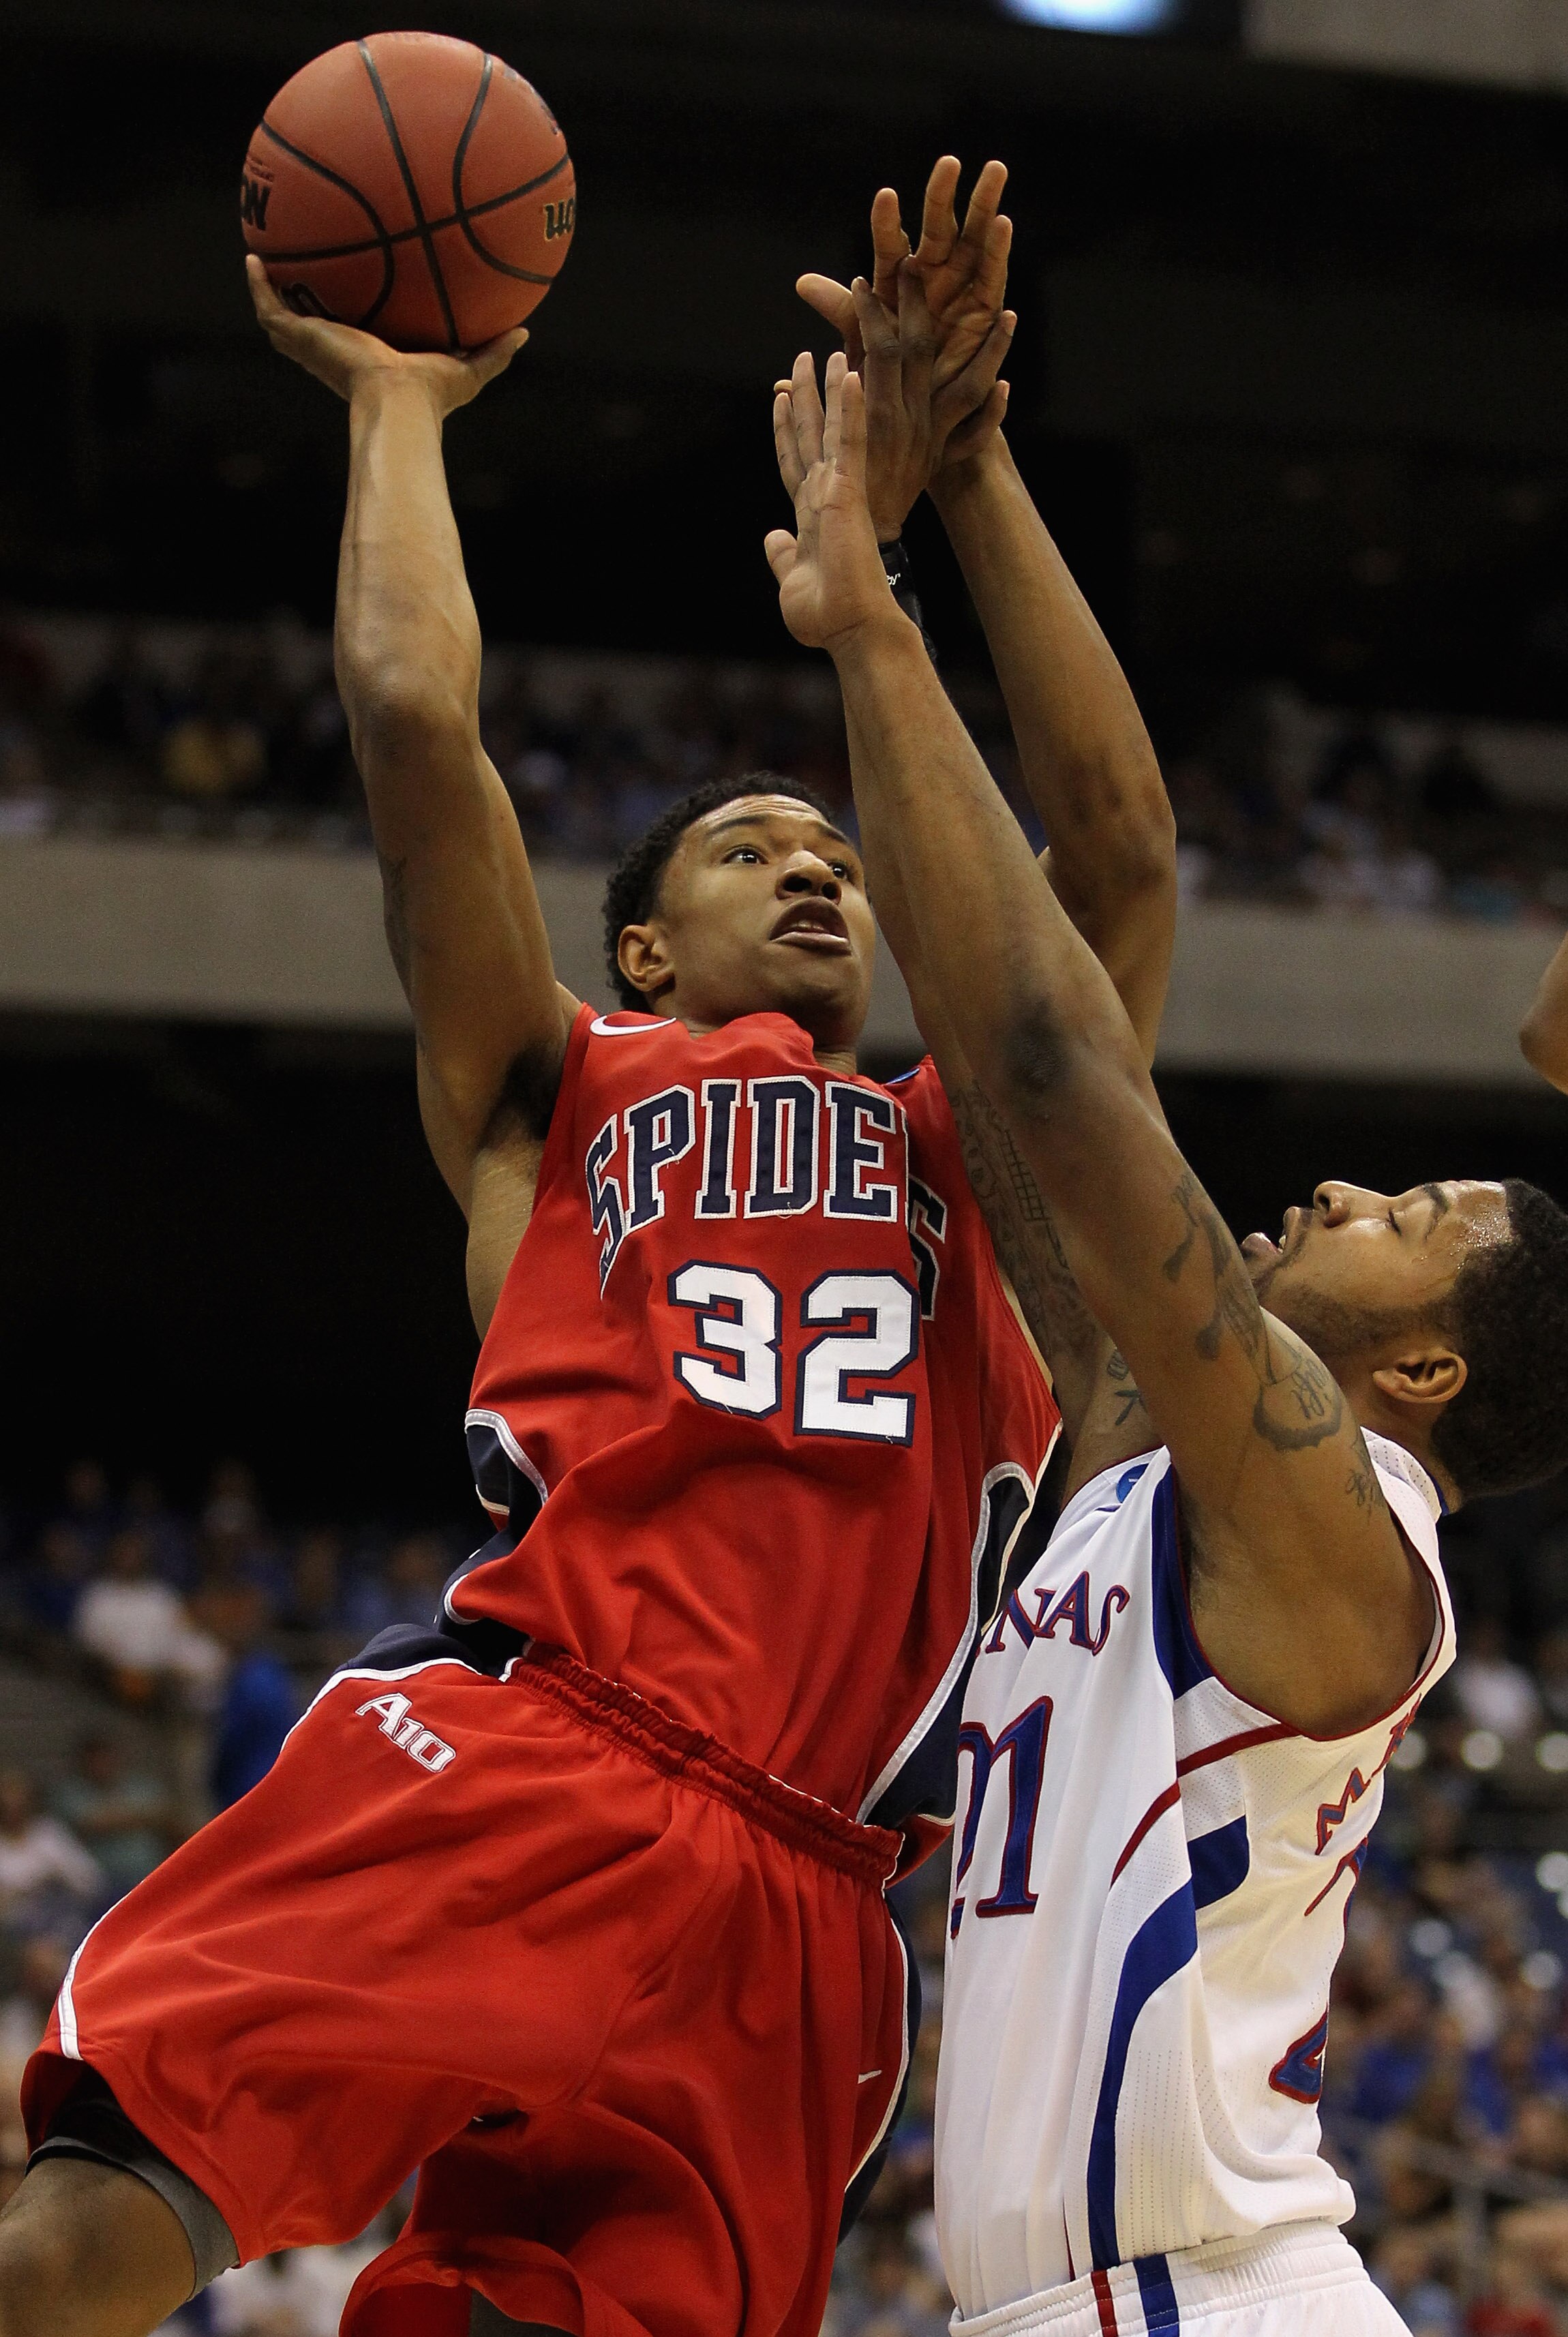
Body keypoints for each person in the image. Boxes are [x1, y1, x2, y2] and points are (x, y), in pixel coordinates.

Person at [0, 164, 1175, 2337]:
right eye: (753, 847)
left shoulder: (984, 1143)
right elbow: (414, 727)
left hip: (814, 1896)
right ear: (646, 938)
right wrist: (397, 402)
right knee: (99, 2217)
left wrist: (972, 458)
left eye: (835, 848)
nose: (814, 871)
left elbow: (1108, 851)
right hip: (550, 1746)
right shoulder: (563, 1085)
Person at [764, 335, 1568, 2334]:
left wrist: (870, 627)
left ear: (1426, 1371)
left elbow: (1047, 1050)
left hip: (1205, 2298)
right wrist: (976, 478)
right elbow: (1103, 867)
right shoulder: (1149, 1442)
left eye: (1405, 1218)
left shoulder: (1327, 1517)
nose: (1343, 1193)